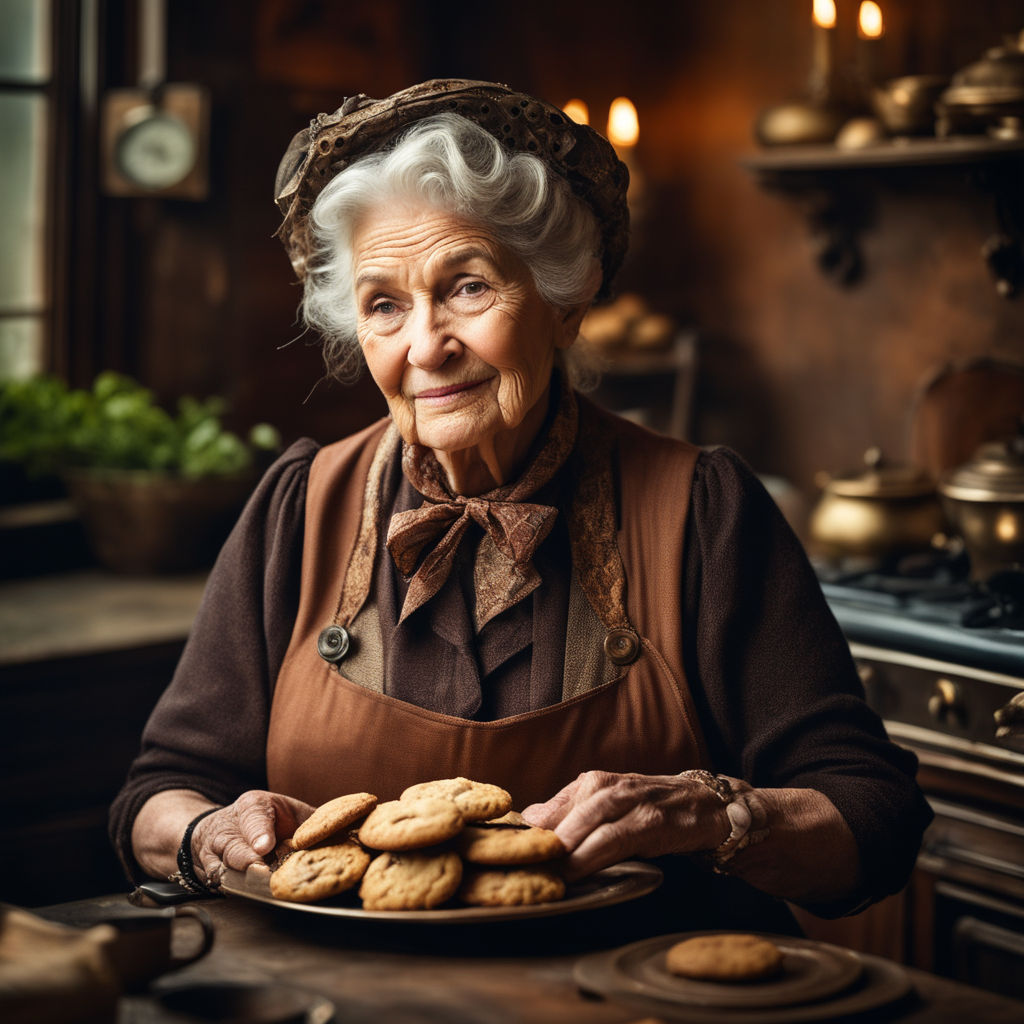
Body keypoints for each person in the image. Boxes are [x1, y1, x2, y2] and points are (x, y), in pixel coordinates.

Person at [110, 79, 931, 931]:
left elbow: (874, 819)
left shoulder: (703, 507)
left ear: (563, 303)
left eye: (467, 287)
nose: (426, 345)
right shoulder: (299, 506)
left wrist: (714, 816)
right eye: (384, 306)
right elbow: (159, 789)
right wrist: (208, 833)